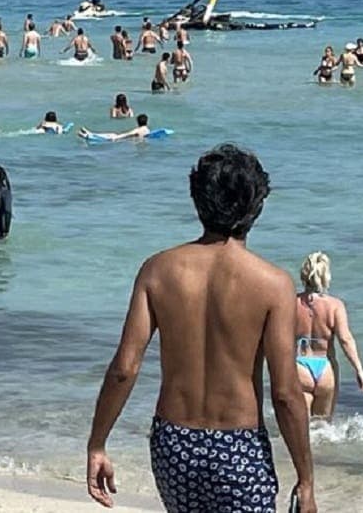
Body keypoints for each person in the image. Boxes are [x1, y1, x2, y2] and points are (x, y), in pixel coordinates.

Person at [85, 145, 316, 513]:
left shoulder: (157, 270)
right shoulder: (273, 284)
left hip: (173, 443)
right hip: (239, 447)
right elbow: (287, 393)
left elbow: (124, 369)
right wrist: (306, 481)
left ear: (198, 201)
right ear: (257, 206)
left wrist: (97, 444)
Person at [294, 252, 363, 419]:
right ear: (325, 276)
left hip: (300, 366)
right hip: (325, 367)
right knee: (323, 427)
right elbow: (345, 339)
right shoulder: (335, 305)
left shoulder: (292, 303)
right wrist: (359, 370)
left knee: (301, 426)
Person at [78, 113, 152, 142]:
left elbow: (128, 134)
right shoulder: (147, 130)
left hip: (121, 140)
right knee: (111, 134)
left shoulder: (138, 130)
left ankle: (87, 135)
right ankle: (90, 133)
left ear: (137, 121)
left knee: (111, 135)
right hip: (126, 141)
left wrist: (117, 137)